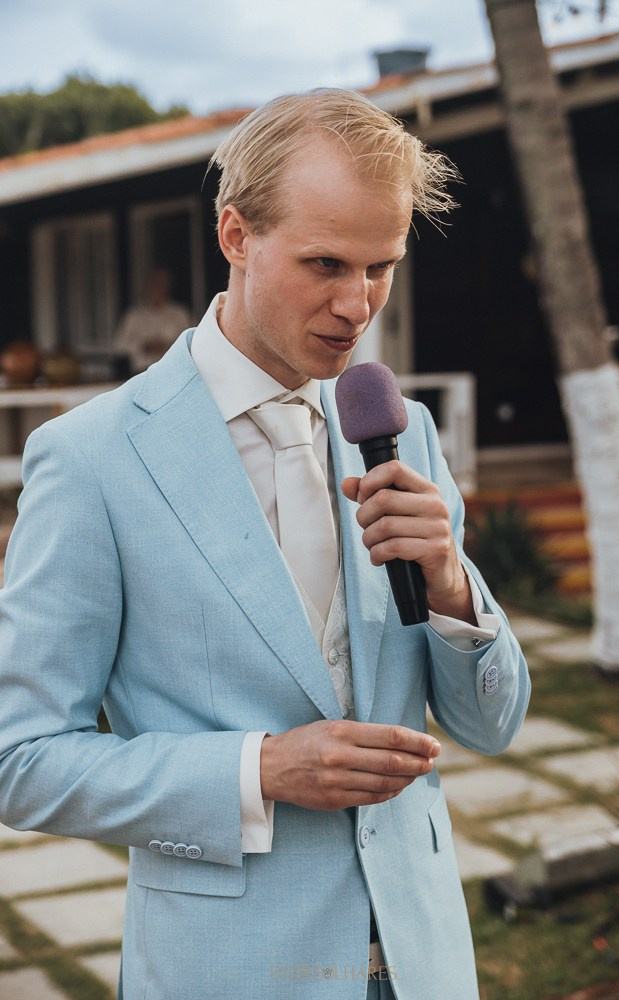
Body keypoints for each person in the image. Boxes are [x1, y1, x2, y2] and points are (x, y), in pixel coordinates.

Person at [0, 89, 530, 1000]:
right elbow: (21, 760)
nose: (355, 304)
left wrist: (450, 587)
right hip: (225, 970)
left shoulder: (402, 434)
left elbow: (492, 723)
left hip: (426, 964)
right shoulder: (91, 460)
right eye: (324, 263)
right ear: (236, 235)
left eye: (381, 266)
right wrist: (259, 771)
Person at [114, 266, 191, 373]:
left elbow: (192, 343)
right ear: (146, 285)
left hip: (175, 371)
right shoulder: (134, 316)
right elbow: (119, 345)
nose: (158, 287)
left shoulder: (180, 314)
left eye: (162, 283)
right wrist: (143, 346)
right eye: (154, 283)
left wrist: (168, 346)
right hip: (142, 372)